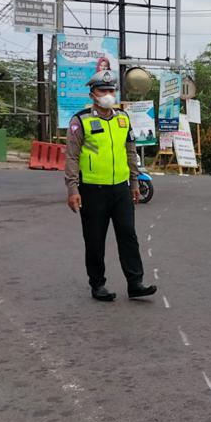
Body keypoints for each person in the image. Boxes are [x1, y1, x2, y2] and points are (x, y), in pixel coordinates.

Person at [64, 70, 157, 302]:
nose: (107, 94)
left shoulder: (123, 119)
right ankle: (98, 284)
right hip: (93, 189)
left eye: (111, 90)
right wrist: (72, 189)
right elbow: (72, 157)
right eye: (102, 90)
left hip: (121, 189)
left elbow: (130, 151)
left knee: (128, 235)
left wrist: (134, 182)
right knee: (95, 239)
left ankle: (135, 283)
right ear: (93, 94)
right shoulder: (81, 120)